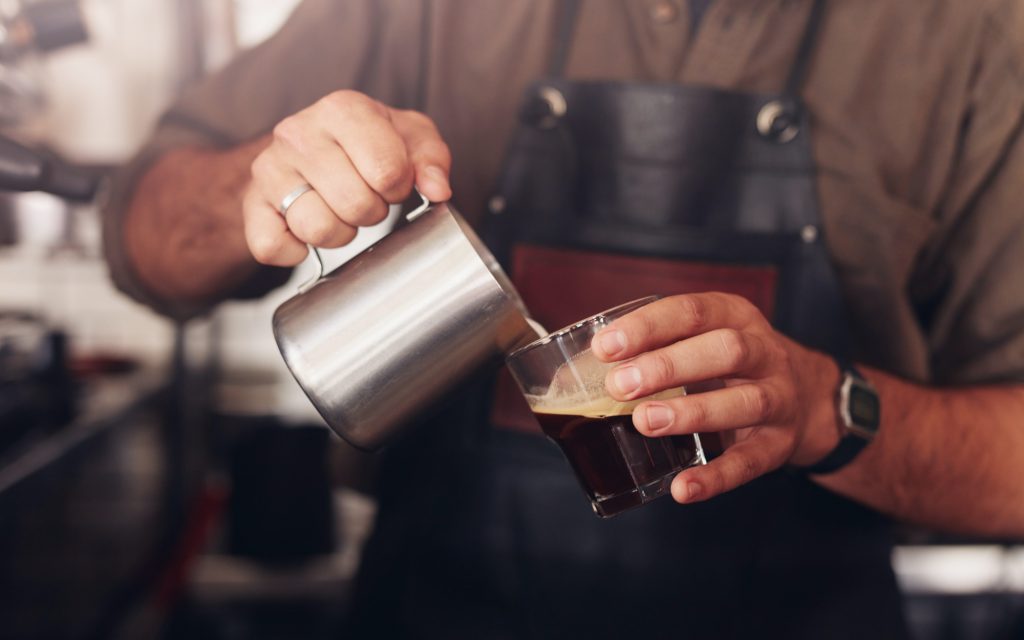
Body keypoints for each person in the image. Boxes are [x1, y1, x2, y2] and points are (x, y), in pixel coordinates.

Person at [104, 0, 1024, 637]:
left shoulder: (974, 37)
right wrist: (256, 184)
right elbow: (140, 240)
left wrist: (831, 409)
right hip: (433, 614)